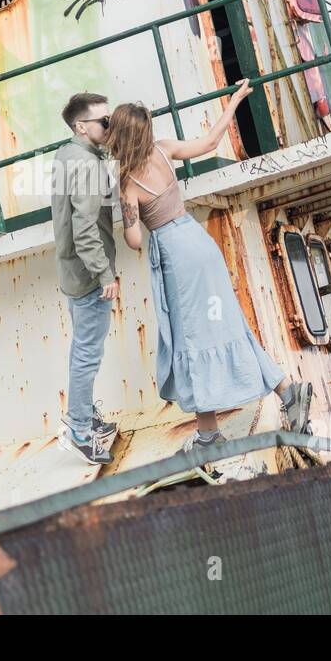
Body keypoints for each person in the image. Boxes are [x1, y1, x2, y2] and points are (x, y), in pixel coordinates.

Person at [107, 79, 313, 470]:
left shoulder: (127, 183)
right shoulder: (164, 151)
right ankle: (289, 392)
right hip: (199, 243)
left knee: (191, 338)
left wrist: (124, 215)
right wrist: (234, 100)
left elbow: (134, 241)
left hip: (177, 257)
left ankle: (207, 436)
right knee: (230, 324)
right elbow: (210, 142)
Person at [50, 92, 122, 465]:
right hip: (89, 275)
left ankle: (85, 416)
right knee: (87, 353)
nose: (110, 127)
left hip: (72, 272)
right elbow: (85, 226)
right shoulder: (88, 166)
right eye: (104, 122)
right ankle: (79, 430)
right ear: (82, 126)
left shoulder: (68, 154)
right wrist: (104, 273)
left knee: (83, 347)